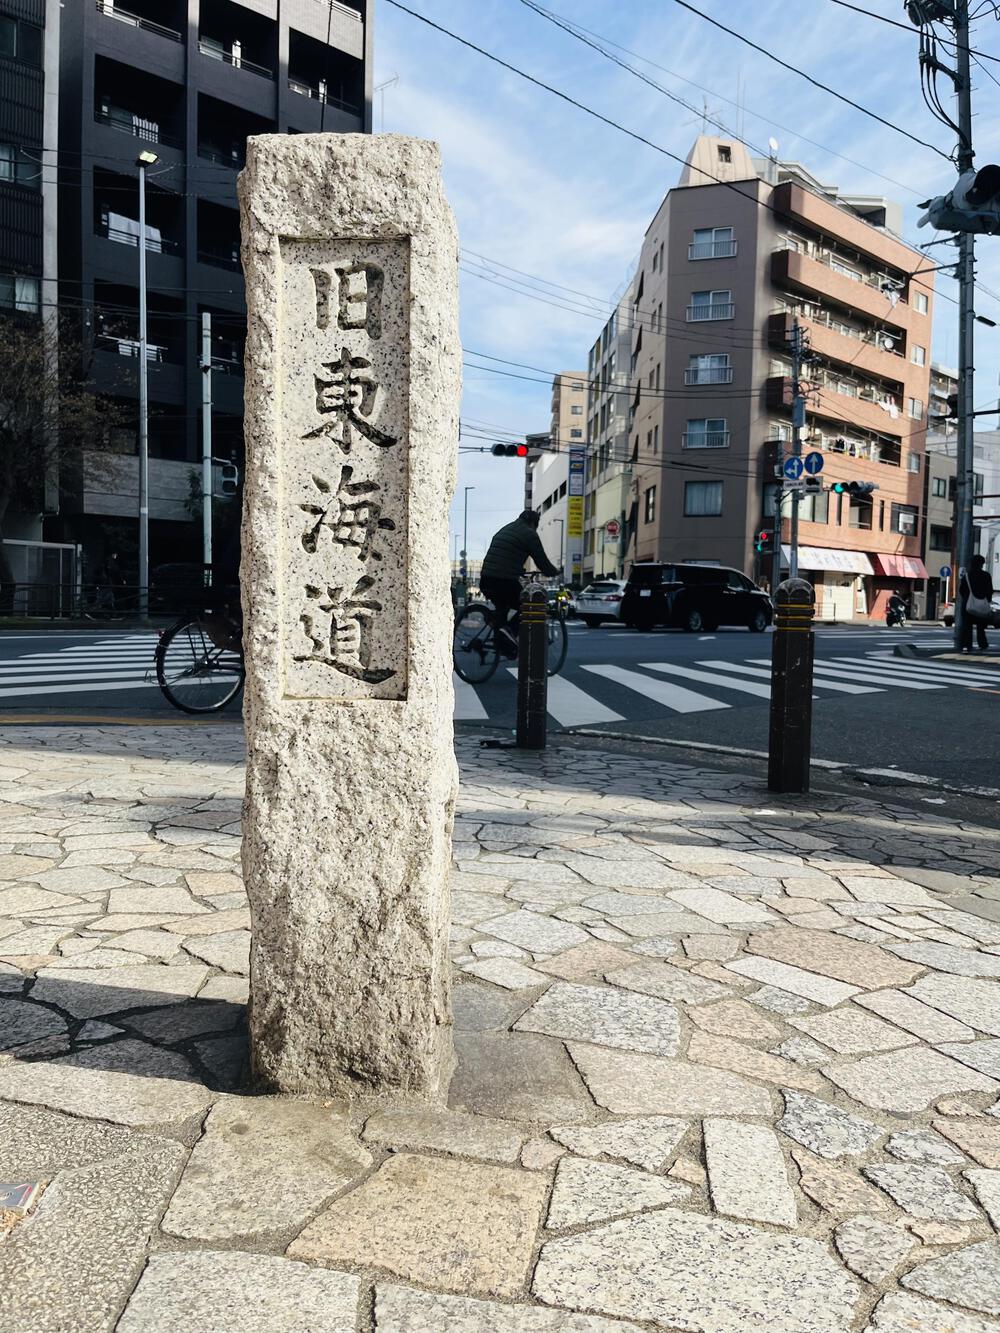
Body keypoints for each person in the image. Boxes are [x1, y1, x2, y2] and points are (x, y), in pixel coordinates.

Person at [480, 509, 559, 655]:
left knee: (502, 608)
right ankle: (508, 631)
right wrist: (554, 572)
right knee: (528, 606)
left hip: (486, 579)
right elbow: (542, 562)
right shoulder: (529, 534)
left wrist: (518, 569)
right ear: (533, 523)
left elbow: (504, 557)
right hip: (503, 581)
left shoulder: (506, 529)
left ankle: (502, 643)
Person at [959, 553, 994, 653]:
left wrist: (967, 598)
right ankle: (982, 644)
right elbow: (989, 590)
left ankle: (966, 646)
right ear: (981, 564)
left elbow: (962, 590)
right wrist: (986, 600)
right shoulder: (986, 576)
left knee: (966, 627)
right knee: (981, 627)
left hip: (968, 605)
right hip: (982, 604)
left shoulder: (967, 576)